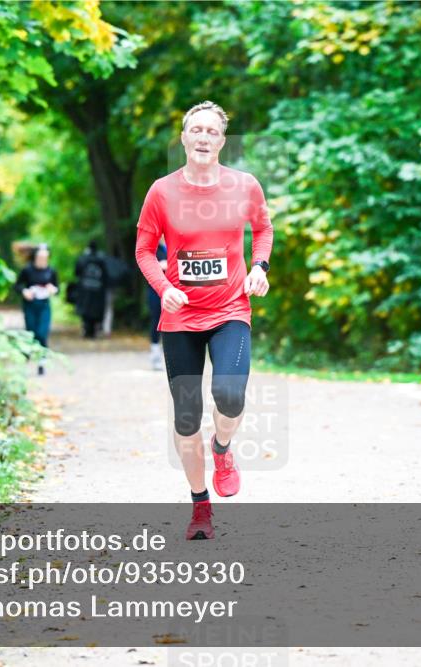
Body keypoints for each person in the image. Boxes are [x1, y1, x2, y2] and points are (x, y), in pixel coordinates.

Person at [134, 101, 273, 540]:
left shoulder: (244, 186)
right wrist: (164, 288)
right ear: (183, 138)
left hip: (231, 308)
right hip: (180, 317)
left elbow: (263, 230)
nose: (203, 137)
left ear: (222, 141)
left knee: (229, 395)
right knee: (187, 417)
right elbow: (143, 250)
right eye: (196, 130)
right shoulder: (161, 191)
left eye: (212, 131)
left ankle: (223, 448)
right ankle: (200, 508)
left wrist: (260, 266)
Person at [15, 243, 59, 375]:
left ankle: (42, 361)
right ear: (35, 257)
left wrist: (53, 290)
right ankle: (28, 353)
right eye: (40, 258)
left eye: (45, 258)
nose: (42, 260)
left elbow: (57, 289)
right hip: (30, 304)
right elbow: (18, 286)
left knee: (42, 333)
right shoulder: (27, 270)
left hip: (44, 305)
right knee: (31, 332)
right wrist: (24, 291)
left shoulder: (51, 271)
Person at [74, 241, 109, 339]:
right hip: (98, 291)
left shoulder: (83, 259)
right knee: (95, 311)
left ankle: (87, 330)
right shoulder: (101, 259)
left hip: (85, 290)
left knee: (85, 311)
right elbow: (106, 276)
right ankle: (92, 332)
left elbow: (76, 272)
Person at [147, 239, 168, 370]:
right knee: (156, 321)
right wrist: (160, 266)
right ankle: (155, 355)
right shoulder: (153, 248)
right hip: (156, 291)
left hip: (175, 289)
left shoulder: (174, 245)